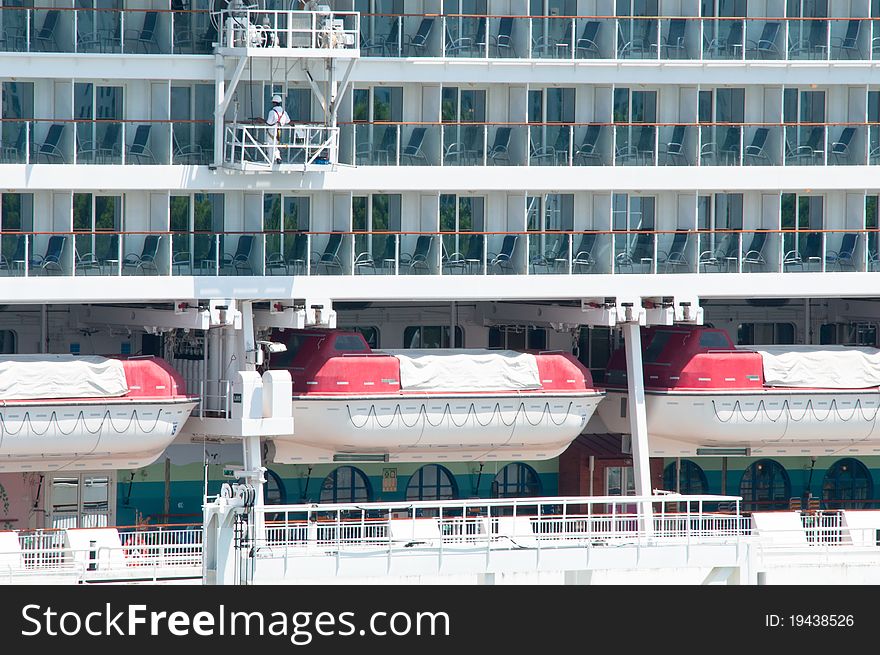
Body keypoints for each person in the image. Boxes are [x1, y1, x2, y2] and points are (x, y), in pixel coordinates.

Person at [266, 94, 290, 164]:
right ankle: (278, 157)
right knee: (275, 145)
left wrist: (262, 120)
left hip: (272, 131)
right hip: (279, 131)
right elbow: (288, 121)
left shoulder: (272, 112)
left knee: (270, 146)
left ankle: (271, 161)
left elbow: (269, 122)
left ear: (274, 103)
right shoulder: (284, 112)